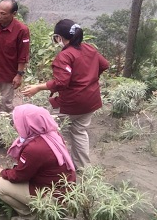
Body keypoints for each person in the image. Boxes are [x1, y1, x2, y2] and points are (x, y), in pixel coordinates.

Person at [22, 19, 109, 169]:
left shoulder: (65, 56)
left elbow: (61, 82)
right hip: (91, 101)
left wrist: (38, 87)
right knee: (80, 132)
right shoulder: (89, 48)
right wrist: (89, 79)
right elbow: (104, 65)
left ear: (59, 37)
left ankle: (52, 166)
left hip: (71, 103)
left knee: (49, 131)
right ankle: (82, 169)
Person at [0, 104, 76, 220]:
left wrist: (2, 173)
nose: (13, 124)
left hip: (52, 197)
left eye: (16, 121)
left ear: (28, 124)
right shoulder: (52, 134)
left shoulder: (34, 148)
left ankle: (31, 218)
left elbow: (20, 176)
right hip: (65, 191)